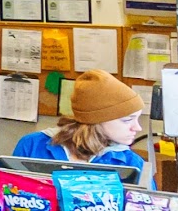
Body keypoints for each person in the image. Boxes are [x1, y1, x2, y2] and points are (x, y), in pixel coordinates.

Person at [10, 68, 154, 188]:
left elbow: (148, 210)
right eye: (127, 120)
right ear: (97, 119)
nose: (138, 128)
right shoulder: (32, 146)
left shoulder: (132, 164)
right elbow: (8, 194)